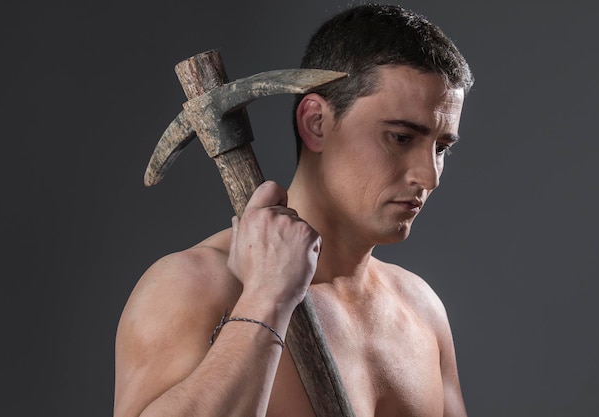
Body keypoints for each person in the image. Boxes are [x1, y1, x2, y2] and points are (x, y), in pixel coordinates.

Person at [114, 3, 474, 417]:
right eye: (400, 137)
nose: (429, 178)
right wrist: (266, 300)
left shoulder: (421, 309)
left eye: (442, 148)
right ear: (316, 123)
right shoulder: (190, 289)